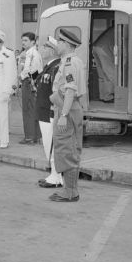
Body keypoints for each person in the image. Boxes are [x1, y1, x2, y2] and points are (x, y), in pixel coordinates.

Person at [48, 29, 86, 202]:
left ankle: (70, 192)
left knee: (67, 149)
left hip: (67, 108)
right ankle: (69, 189)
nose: (57, 45)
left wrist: (63, 114)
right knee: (68, 148)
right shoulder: (72, 61)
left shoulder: (69, 62)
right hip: (68, 107)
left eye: (60, 42)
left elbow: (70, 90)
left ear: (67, 44)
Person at [36, 36, 63, 188]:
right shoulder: (48, 67)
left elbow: (57, 93)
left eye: (45, 47)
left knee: (53, 145)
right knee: (48, 145)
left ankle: (56, 177)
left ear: (52, 50)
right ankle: (54, 174)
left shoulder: (56, 67)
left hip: (50, 112)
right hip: (43, 112)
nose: (42, 50)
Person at [19, 32, 43, 145]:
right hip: (26, 83)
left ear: (33, 42)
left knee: (29, 110)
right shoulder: (27, 53)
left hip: (30, 84)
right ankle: (33, 136)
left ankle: (31, 137)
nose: (23, 43)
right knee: (28, 110)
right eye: (22, 40)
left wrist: (31, 83)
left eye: (26, 40)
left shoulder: (34, 54)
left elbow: (37, 71)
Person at [91, 24, 115, 102]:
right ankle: (109, 96)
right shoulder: (120, 28)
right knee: (110, 74)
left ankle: (103, 96)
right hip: (103, 49)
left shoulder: (112, 29)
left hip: (95, 47)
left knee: (102, 75)